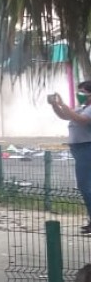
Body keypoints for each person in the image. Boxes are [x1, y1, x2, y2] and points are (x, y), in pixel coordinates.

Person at [49, 81, 91, 234]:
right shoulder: (82, 108)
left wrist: (63, 103)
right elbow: (66, 116)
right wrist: (55, 106)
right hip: (79, 148)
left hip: (87, 148)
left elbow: (81, 120)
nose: (79, 94)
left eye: (83, 91)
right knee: (86, 186)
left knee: (85, 186)